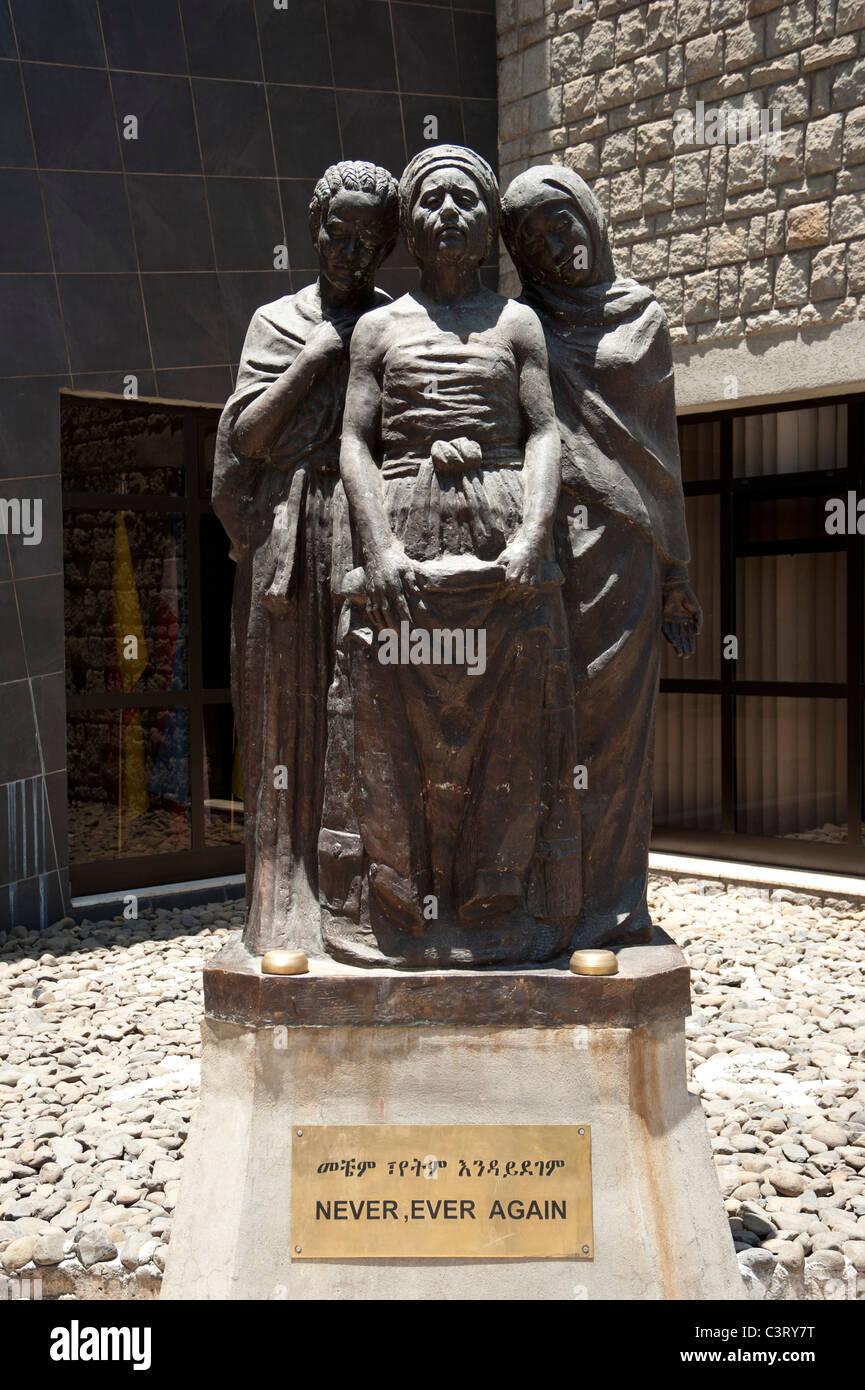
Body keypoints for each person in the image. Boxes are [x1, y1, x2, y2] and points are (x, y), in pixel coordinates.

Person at [318, 145, 581, 968]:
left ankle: (495, 901)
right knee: (383, 714)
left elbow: (544, 431)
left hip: (502, 539)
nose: (447, 214)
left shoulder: (516, 323)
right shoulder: (378, 327)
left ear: (487, 223)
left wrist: (535, 535)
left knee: (512, 719)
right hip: (399, 535)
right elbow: (354, 442)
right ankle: (390, 901)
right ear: (409, 225)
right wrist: (380, 547)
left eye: (465, 199)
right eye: (430, 200)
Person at [501, 164, 702, 949]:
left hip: (625, 554)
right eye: (534, 238)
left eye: (563, 221)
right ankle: (537, 900)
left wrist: (678, 575)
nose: (558, 245)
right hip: (542, 548)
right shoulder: (520, 325)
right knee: (541, 727)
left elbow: (661, 454)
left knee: (615, 735)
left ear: (590, 217)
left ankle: (612, 905)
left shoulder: (641, 316)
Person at [212, 161, 399, 955]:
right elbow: (245, 438)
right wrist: (319, 355)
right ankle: (283, 906)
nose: (348, 250)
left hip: (370, 533)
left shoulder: (400, 323)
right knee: (282, 716)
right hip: (287, 537)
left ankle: (369, 905)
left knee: (369, 714)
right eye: (336, 230)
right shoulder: (277, 321)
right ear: (314, 224)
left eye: (367, 237)